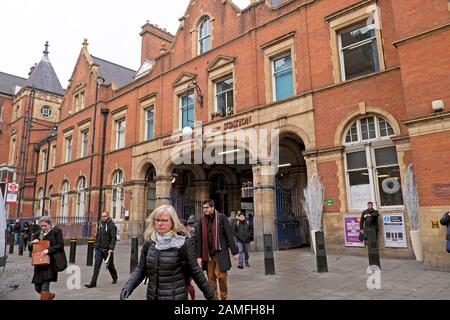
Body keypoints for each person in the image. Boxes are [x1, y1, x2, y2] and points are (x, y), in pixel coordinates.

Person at [120, 205, 215, 300]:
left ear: (173, 222)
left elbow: (196, 272)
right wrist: (128, 287)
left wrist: (210, 295)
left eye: (164, 220)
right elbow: (141, 269)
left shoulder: (183, 243)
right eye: (157, 220)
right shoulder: (149, 243)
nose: (160, 223)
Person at [195, 199, 238, 300]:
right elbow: (199, 239)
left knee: (221, 276)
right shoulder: (202, 220)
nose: (204, 210)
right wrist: (199, 256)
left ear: (213, 207)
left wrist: (234, 252)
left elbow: (229, 235)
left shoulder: (222, 218)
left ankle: (224, 296)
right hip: (208, 254)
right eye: (203, 208)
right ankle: (214, 297)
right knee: (211, 277)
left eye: (207, 208)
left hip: (220, 252)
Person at [30, 216, 65, 300]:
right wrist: (34, 243)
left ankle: (46, 296)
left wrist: (48, 250)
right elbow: (32, 249)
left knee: (44, 288)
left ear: (50, 224)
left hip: (50, 263)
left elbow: (60, 245)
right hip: (39, 263)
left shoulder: (56, 231)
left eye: (45, 226)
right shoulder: (39, 233)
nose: (43, 228)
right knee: (37, 288)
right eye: (41, 226)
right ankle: (50, 296)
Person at [85, 212, 118, 288]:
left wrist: (111, 248)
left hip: (107, 250)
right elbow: (97, 236)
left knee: (110, 265)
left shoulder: (112, 226)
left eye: (105, 216)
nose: (103, 217)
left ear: (108, 216)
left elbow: (113, 238)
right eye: (102, 216)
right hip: (99, 249)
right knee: (97, 265)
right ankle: (93, 283)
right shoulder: (100, 224)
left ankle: (115, 277)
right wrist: (96, 245)